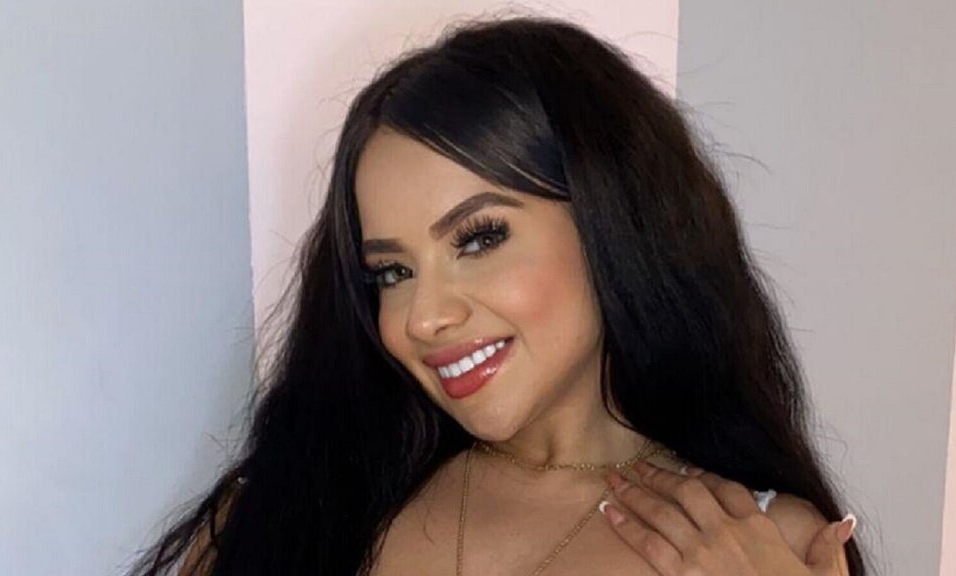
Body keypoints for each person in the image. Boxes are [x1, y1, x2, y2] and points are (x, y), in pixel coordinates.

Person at [128, 15, 868, 576]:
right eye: (391, 272)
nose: (424, 317)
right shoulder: (287, 512)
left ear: (613, 222)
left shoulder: (762, 544)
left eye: (478, 239)